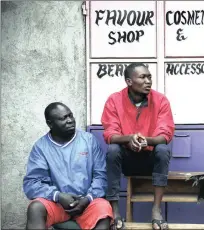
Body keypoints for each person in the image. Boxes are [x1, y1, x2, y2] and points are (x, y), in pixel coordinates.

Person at [101, 63, 175, 230]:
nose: (148, 81)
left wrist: (145, 141)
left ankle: (156, 210)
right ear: (129, 81)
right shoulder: (114, 100)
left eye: (149, 77)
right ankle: (115, 210)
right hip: (127, 161)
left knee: (163, 149)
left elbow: (165, 135)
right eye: (143, 77)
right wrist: (129, 139)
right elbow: (110, 134)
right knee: (113, 150)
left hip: (150, 160)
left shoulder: (160, 100)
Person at [23, 102, 113, 230]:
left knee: (104, 209)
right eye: (63, 118)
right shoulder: (41, 147)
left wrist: (87, 199)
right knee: (35, 208)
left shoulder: (89, 140)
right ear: (50, 123)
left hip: (87, 202)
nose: (70, 120)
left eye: (70, 116)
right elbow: (32, 183)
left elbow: (101, 176)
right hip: (57, 203)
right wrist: (58, 196)